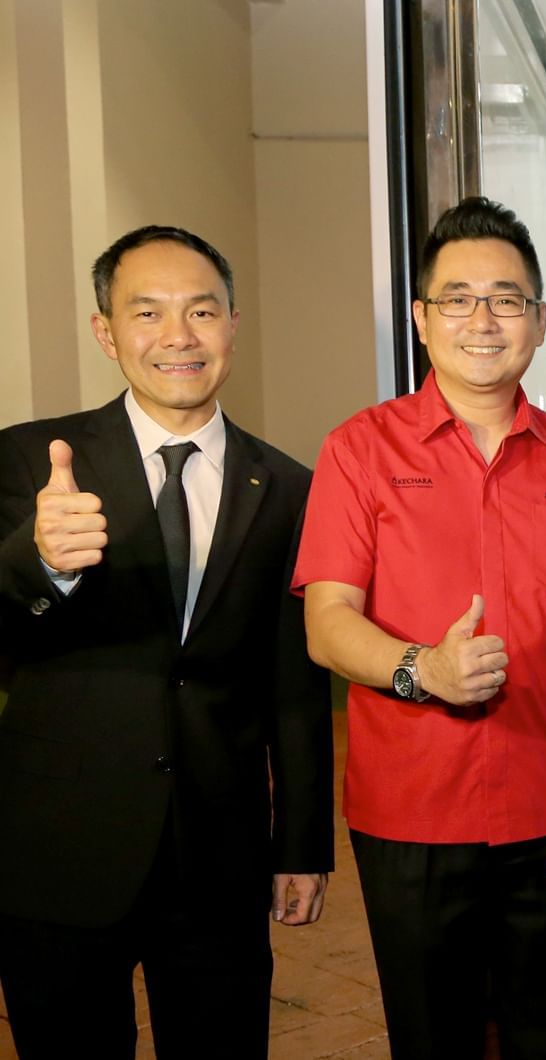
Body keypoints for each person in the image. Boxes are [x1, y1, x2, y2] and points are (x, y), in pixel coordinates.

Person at [295, 197, 546, 1058]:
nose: (483, 320)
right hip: (411, 816)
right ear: (421, 316)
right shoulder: (359, 450)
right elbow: (327, 627)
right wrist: (423, 670)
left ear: (540, 320)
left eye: (507, 299)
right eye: (457, 298)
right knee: (431, 1039)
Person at [0, 226, 333, 1058]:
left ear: (232, 324)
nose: (177, 336)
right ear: (106, 332)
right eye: (146, 313)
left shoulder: (290, 487)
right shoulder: (29, 462)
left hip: (216, 857)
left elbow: (293, 682)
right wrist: (40, 562)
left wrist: (300, 844)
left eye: (201, 311)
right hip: (58, 853)